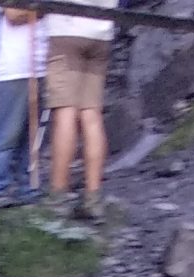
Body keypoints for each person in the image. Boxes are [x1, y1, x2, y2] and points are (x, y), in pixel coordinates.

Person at [45, 0, 117, 216]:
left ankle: (58, 197)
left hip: (67, 30)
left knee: (66, 111)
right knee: (91, 113)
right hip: (101, 32)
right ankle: (93, 198)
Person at [0, 6, 47, 204]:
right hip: (16, 68)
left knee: (34, 135)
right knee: (8, 133)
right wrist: (44, 9)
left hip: (40, 66)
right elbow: (12, 15)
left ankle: (29, 187)